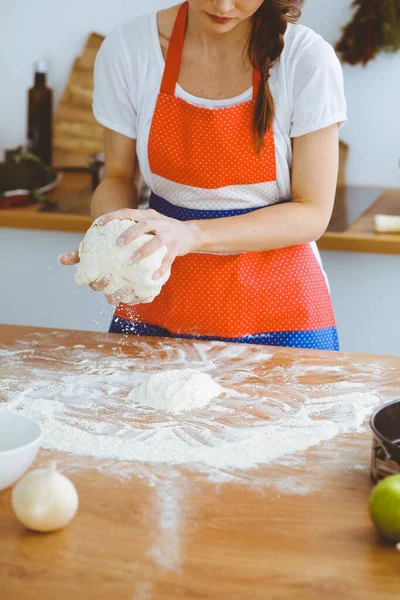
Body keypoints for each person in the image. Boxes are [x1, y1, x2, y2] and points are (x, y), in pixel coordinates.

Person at [59, 0, 347, 350]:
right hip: (159, 302)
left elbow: (312, 212)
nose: (224, 5)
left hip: (281, 311)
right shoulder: (130, 48)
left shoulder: (306, 59)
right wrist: (109, 238)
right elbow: (118, 177)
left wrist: (191, 234)